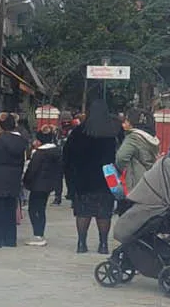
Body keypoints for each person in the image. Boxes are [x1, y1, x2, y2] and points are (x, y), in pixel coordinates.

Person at [63, 99, 120, 254]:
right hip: (106, 179)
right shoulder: (113, 132)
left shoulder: (78, 132)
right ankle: (103, 244)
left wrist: (70, 181)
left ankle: (81, 243)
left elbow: (67, 157)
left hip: (82, 179)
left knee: (83, 212)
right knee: (104, 213)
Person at [0, 116, 29, 248]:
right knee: (10, 208)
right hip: (14, 177)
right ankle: (10, 239)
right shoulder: (22, 141)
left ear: (1, 127)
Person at [23, 127, 64, 246]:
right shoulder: (57, 151)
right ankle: (40, 233)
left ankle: (38, 234)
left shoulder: (39, 153)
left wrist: (26, 182)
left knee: (33, 209)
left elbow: (32, 170)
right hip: (49, 185)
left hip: (37, 184)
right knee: (41, 209)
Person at [116, 108, 161, 213]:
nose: (124, 123)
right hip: (148, 179)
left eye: (126, 120)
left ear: (133, 123)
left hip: (134, 181)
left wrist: (124, 169)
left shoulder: (133, 138)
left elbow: (121, 157)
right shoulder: (150, 138)